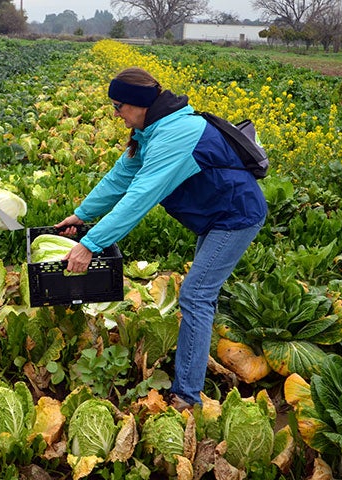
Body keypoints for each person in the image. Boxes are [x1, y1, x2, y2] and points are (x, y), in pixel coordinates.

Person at [55, 67, 267, 410]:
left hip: (236, 217)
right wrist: (81, 215)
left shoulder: (175, 134)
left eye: (118, 106)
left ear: (138, 105)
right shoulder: (150, 132)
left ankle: (186, 395)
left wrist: (90, 244)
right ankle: (194, 364)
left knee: (196, 294)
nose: (116, 115)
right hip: (214, 219)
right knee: (201, 296)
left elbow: (140, 197)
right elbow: (118, 180)